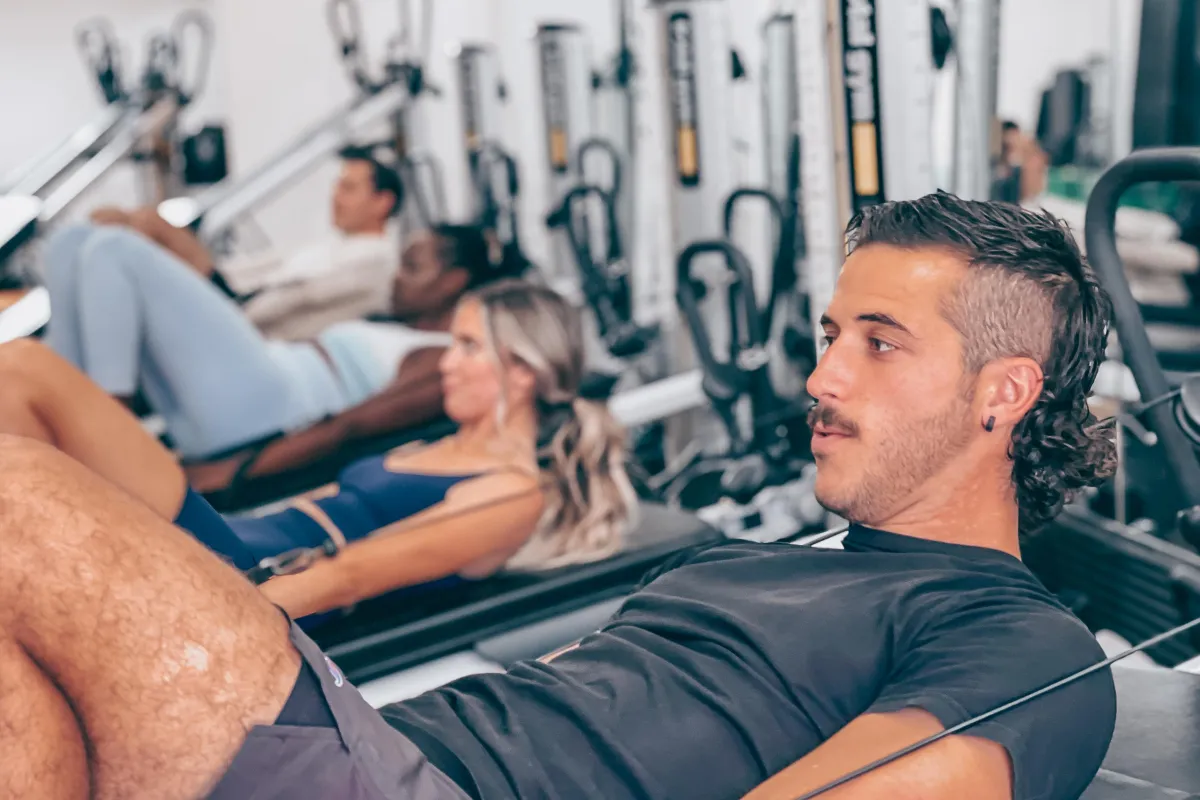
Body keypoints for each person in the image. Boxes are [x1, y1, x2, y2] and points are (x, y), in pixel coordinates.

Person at [0, 193, 1118, 800]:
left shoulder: (1022, 643)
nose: (822, 377)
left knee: (15, 490)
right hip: (374, 739)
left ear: (1004, 392)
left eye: (880, 342)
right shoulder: (739, 562)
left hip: (401, 781)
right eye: (831, 335)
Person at [0, 279, 633, 624]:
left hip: (237, 569)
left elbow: (350, 575)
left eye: (468, 347)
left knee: (25, 370)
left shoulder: (511, 491)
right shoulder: (442, 443)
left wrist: (207, 616)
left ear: (522, 371)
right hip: (233, 537)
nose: (446, 362)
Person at [40, 222, 509, 460]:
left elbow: (352, 427)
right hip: (246, 388)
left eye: (412, 267)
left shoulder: (442, 355)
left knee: (113, 250)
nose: (397, 277)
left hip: (267, 408)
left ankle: (104, 430)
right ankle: (55, 427)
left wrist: (236, 472)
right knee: (70, 242)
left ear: (454, 281)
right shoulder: (397, 327)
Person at [79, 145, 406, 341]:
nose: (335, 197)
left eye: (348, 189)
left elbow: (295, 302)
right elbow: (263, 269)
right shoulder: (330, 244)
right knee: (126, 221)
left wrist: (222, 311)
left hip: (241, 316)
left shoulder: (377, 259)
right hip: (234, 296)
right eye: (337, 186)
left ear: (383, 202)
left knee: (149, 223)